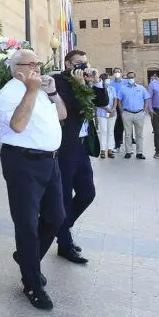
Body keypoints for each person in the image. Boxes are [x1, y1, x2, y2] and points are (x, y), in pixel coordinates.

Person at [0, 49, 67, 311]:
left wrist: (53, 92)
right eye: (32, 64)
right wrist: (31, 91)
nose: (38, 67)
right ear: (18, 69)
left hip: (51, 162)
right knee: (26, 224)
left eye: (38, 63)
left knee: (56, 217)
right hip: (23, 163)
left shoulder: (40, 89)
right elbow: (17, 125)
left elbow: (61, 116)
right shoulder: (10, 93)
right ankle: (32, 284)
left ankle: (28, 259)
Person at [52, 50, 103, 264]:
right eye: (78, 63)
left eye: (85, 62)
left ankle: (58, 227)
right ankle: (64, 242)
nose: (82, 67)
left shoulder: (89, 80)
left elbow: (102, 101)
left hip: (82, 147)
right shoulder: (58, 81)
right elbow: (71, 107)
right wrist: (81, 85)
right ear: (67, 63)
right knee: (63, 197)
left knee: (87, 193)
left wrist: (97, 82)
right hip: (64, 148)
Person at [117, 71, 149, 159]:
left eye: (132, 77)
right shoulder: (123, 88)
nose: (130, 79)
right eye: (129, 77)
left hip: (139, 113)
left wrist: (145, 111)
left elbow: (146, 99)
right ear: (126, 79)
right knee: (128, 134)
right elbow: (119, 100)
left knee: (139, 134)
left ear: (135, 78)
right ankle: (128, 151)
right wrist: (121, 111)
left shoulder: (141, 88)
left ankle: (139, 152)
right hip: (127, 113)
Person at [93, 73, 117, 158]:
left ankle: (110, 149)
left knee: (110, 132)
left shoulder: (112, 89)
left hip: (112, 113)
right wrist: (107, 109)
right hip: (102, 113)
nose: (107, 80)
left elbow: (115, 99)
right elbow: (97, 102)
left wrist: (113, 109)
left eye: (108, 78)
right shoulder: (97, 89)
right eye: (105, 79)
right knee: (103, 131)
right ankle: (102, 150)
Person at [109, 68, 126, 153]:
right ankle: (117, 144)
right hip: (114, 107)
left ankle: (127, 146)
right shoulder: (110, 84)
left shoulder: (125, 83)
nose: (117, 73)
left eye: (118, 72)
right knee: (116, 126)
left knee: (125, 126)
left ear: (121, 73)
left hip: (124, 107)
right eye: (115, 72)